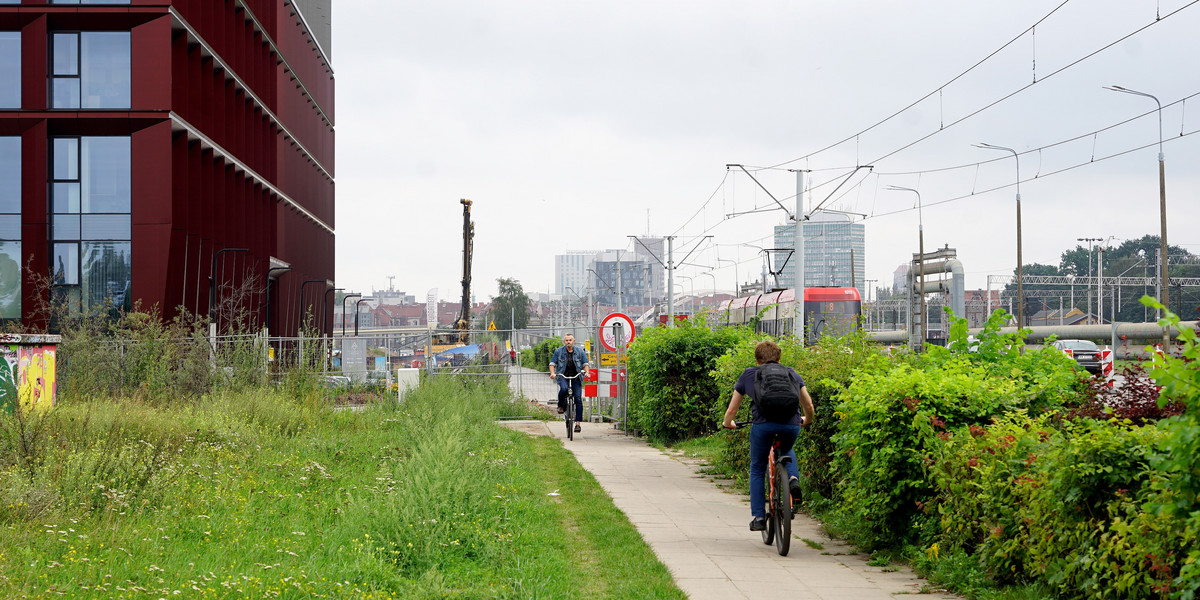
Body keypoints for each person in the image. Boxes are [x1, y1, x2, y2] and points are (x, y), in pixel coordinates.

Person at [721, 340, 816, 532]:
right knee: (787, 448)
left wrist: (727, 423)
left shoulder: (749, 374)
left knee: (757, 466)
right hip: (791, 425)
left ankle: (758, 517)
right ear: (779, 359)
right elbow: (809, 406)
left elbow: (732, 409)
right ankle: (792, 480)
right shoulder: (791, 373)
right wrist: (807, 420)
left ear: (757, 360)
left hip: (763, 427)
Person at [549, 333, 589, 433]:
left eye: (570, 340)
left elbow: (585, 363)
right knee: (564, 389)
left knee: (578, 399)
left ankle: (578, 424)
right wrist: (553, 373)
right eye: (566, 340)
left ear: (573, 341)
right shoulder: (559, 351)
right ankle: (561, 406)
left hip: (576, 377)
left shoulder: (579, 351)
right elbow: (552, 363)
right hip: (563, 376)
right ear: (564, 342)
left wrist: (586, 372)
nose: (568, 342)